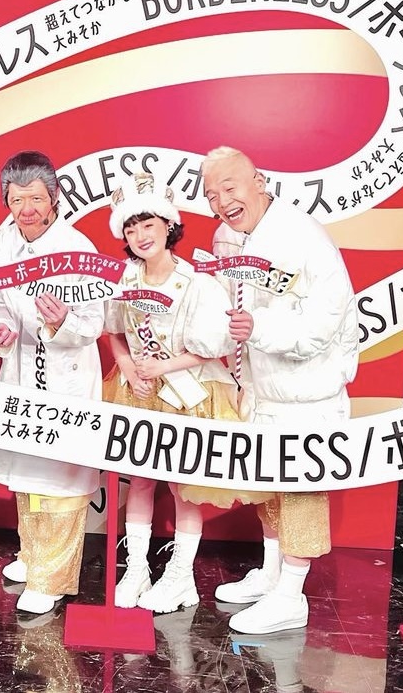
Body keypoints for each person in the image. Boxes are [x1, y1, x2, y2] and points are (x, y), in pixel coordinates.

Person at [201, 146, 358, 634]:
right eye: (211, 194)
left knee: (301, 494)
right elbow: (228, 311)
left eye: (230, 187)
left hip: (307, 395)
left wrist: (260, 328)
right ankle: (272, 575)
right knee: (267, 488)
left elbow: (322, 322)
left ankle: (292, 595)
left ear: (259, 181)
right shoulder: (229, 238)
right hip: (261, 390)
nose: (222, 201)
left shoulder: (305, 237)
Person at [104, 173, 273, 614]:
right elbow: (114, 332)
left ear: (168, 226)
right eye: (131, 228)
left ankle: (181, 576)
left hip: (188, 392)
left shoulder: (195, 282)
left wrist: (162, 366)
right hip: (138, 389)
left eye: (149, 225)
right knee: (139, 480)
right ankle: (136, 568)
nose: (141, 236)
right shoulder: (124, 279)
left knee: (184, 486)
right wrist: (128, 367)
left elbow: (212, 347)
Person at [0, 151, 102, 617]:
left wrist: (64, 320)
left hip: (66, 376)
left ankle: (53, 578)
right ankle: (33, 556)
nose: (26, 209)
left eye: (36, 199)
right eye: (16, 199)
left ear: (54, 198)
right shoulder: (1, 241)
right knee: (27, 470)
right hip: (21, 371)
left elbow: (94, 321)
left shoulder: (78, 248)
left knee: (60, 480)